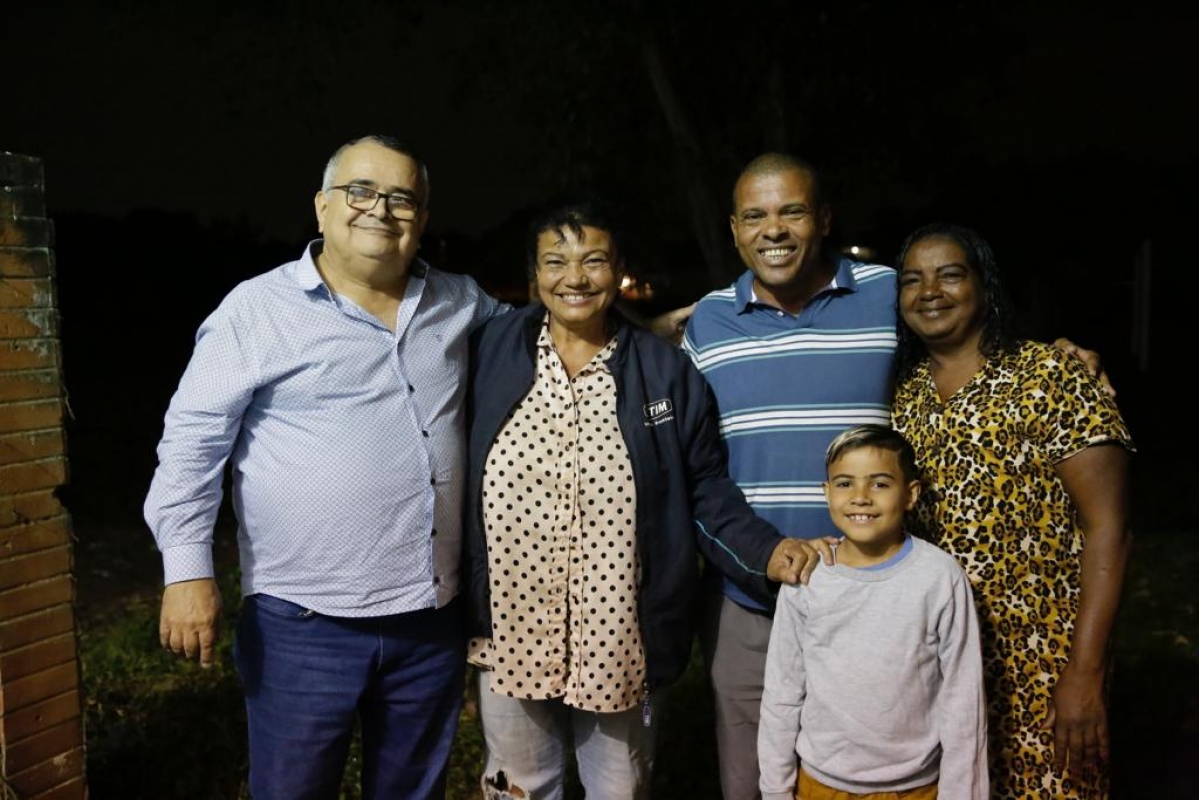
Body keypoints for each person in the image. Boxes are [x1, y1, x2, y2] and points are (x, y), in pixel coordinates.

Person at [681, 151, 1109, 800]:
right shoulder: (707, 322)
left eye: (792, 211)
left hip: (881, 594)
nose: (774, 230)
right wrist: (761, 554)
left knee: (883, 770)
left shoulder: (887, 292)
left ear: (824, 219)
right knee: (752, 778)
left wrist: (1055, 354)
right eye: (755, 216)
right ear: (734, 229)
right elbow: (696, 464)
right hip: (752, 596)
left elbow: (960, 332)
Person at [144, 134, 511, 798]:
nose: (380, 210)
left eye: (402, 198)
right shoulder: (257, 310)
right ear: (321, 206)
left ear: (423, 219)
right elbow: (192, 443)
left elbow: (551, 340)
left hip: (430, 617)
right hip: (303, 623)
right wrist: (187, 571)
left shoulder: (460, 301)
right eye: (360, 191)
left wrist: (652, 340)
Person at [462, 198, 823, 800]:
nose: (575, 278)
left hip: (619, 638)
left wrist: (766, 551)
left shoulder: (665, 372)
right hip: (512, 627)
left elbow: (704, 487)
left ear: (619, 270)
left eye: (594, 260)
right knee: (518, 787)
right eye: (556, 262)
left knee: (621, 788)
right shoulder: (488, 351)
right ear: (534, 274)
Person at [890, 223, 1134, 799]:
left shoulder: (1051, 374)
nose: (930, 291)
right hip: (939, 662)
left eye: (950, 274)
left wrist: (1086, 673)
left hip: (1045, 661)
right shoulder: (904, 395)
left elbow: (1111, 527)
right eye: (912, 280)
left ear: (985, 286)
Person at [758, 424, 989, 800]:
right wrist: (775, 791)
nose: (861, 498)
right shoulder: (808, 577)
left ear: (910, 494)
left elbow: (964, 702)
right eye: (845, 483)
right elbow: (782, 694)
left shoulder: (939, 578)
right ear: (827, 493)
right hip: (821, 786)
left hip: (915, 788)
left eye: (880, 483)